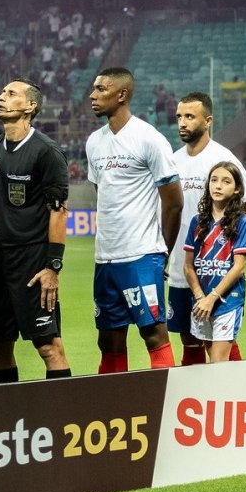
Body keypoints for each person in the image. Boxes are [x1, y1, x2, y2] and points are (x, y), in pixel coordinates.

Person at [0, 80, 71, 383]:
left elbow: (59, 212)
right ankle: (7, 421)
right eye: (1, 93)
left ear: (30, 107)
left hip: (33, 259)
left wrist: (53, 267)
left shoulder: (46, 152)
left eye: (11, 94)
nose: (1, 97)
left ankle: (61, 418)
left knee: (48, 347)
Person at [84, 67, 183, 373]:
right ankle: (113, 408)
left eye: (101, 89)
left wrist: (162, 252)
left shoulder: (148, 139)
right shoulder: (93, 142)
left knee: (153, 333)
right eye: (94, 88)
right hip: (106, 258)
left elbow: (174, 202)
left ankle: (168, 405)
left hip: (141, 255)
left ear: (122, 94)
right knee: (109, 340)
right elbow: (103, 193)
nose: (93, 95)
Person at [167, 92, 246, 366]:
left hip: (217, 273)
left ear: (208, 120)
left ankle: (237, 394)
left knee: (220, 341)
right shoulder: (172, 161)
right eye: (179, 117)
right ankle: (194, 401)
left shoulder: (224, 160)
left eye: (190, 117)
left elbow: (243, 213)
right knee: (189, 338)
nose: (182, 123)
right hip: (184, 269)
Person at [183, 162, 246, 362]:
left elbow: (239, 267)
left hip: (226, 301)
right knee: (217, 363)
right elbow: (188, 266)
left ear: (237, 188)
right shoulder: (197, 222)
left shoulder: (242, 222)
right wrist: (200, 297)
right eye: (214, 180)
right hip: (201, 302)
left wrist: (211, 298)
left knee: (217, 364)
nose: (218, 186)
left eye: (226, 181)